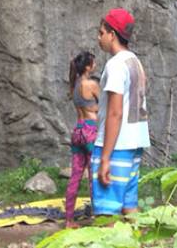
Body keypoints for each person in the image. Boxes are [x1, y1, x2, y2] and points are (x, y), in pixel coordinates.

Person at [92, 8, 150, 217]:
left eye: (101, 33)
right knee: (129, 207)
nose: (99, 38)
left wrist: (105, 158)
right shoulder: (135, 62)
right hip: (135, 143)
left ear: (112, 34)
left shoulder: (116, 65)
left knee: (107, 213)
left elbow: (115, 112)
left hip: (116, 146)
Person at [64, 51, 100, 228]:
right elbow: (104, 106)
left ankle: (69, 220)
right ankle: (98, 215)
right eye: (93, 63)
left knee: (75, 176)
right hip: (90, 131)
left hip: (77, 130)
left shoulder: (74, 84)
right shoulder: (91, 84)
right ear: (87, 67)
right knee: (94, 175)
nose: (95, 65)